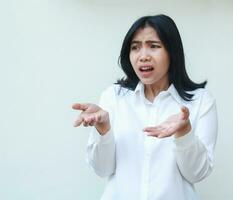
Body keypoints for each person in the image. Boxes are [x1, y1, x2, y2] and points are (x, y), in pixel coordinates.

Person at [72, 14, 218, 200]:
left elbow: (197, 173)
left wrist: (184, 133)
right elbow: (102, 169)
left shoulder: (201, 101)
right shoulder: (113, 97)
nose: (143, 56)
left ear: (172, 52)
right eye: (135, 48)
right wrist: (103, 130)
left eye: (154, 46)